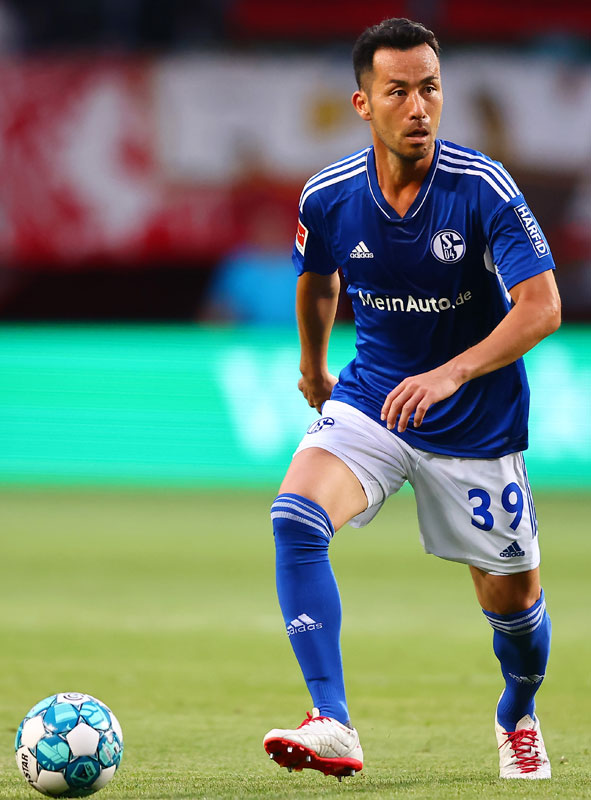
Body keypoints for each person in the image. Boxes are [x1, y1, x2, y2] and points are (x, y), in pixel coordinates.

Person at [263, 17, 561, 782]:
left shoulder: (480, 186)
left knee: (514, 615)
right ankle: (332, 720)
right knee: (294, 518)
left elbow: (541, 307)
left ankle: (517, 713)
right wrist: (312, 368)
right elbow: (317, 277)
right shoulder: (329, 195)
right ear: (362, 103)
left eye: (429, 88)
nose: (418, 106)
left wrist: (451, 373)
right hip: (375, 398)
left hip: (475, 420)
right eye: (397, 91)